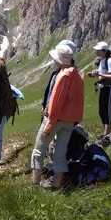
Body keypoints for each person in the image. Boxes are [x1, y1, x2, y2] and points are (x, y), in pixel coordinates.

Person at [31, 45, 84, 189]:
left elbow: (56, 102)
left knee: (38, 150)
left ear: (60, 60)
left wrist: (49, 123)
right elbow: (79, 101)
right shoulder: (78, 75)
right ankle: (57, 183)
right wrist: (75, 120)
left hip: (55, 119)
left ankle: (35, 183)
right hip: (69, 121)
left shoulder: (63, 76)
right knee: (60, 153)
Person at [88, 41, 111, 136]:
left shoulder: (110, 61)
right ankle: (105, 133)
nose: (96, 52)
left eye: (98, 50)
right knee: (102, 111)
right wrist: (95, 74)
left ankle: (106, 135)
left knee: (108, 110)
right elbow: (103, 74)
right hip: (104, 87)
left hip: (110, 88)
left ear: (104, 51)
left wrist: (99, 74)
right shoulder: (102, 61)